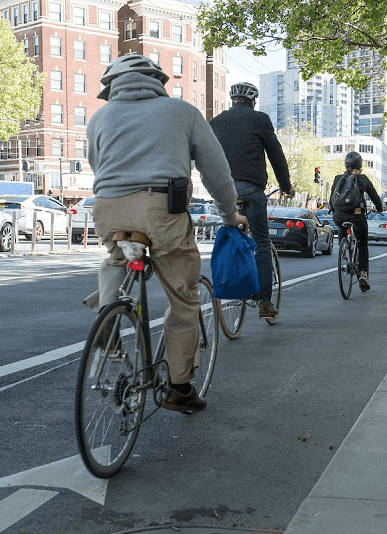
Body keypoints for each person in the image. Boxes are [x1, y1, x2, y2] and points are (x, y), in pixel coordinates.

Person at [86, 55, 247, 414]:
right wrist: (229, 215)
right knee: (183, 298)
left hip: (108, 209)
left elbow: (98, 164)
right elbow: (216, 173)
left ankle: (108, 325)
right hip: (163, 212)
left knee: (117, 258)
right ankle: (179, 387)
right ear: (158, 81)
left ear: (110, 87)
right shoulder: (183, 111)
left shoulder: (98, 118)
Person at [209, 81, 295, 319]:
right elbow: (276, 155)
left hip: (221, 190)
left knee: (228, 236)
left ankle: (226, 285)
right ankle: (265, 302)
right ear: (252, 101)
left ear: (232, 100)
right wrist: (286, 187)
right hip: (250, 189)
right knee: (262, 243)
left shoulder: (215, 122)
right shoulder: (260, 119)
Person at [329, 152, 383, 291]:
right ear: (360, 164)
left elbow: (331, 200)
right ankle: (363, 275)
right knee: (363, 245)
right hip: (357, 216)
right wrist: (379, 208)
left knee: (342, 227)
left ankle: (344, 251)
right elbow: (374, 196)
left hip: (339, 217)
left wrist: (333, 209)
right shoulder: (363, 179)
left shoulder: (338, 178)